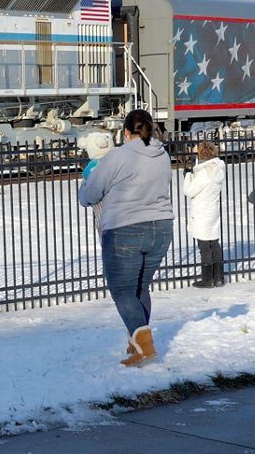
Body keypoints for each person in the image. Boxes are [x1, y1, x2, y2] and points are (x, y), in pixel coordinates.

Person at [77, 109, 174, 367]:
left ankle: (145, 349)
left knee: (122, 289)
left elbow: (90, 194)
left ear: (126, 132)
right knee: (140, 287)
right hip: (161, 228)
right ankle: (137, 345)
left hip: (124, 229)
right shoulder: (162, 154)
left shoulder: (117, 156)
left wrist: (84, 186)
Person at [183, 141, 226, 288]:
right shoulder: (218, 168)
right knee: (214, 242)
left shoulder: (204, 173)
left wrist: (188, 175)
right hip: (212, 210)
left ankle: (207, 280)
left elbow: (188, 191)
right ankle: (219, 277)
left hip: (202, 212)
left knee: (204, 245)